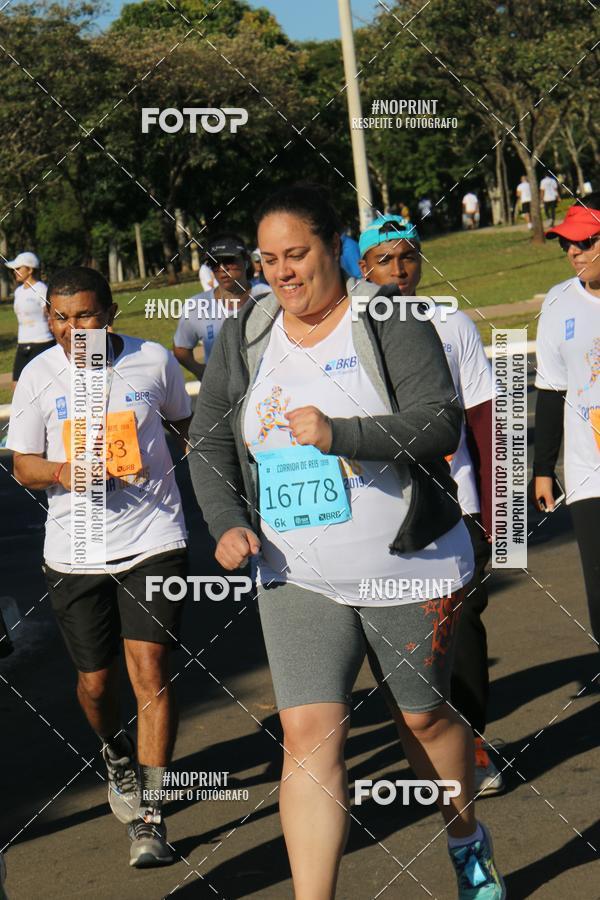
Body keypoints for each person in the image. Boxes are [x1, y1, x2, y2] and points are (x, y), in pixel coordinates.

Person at [188, 183, 505, 900]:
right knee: (306, 739)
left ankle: (466, 840)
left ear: (336, 247)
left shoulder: (386, 314)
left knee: (421, 717)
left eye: (296, 254)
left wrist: (343, 435)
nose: (281, 272)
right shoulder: (249, 332)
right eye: (268, 259)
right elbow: (208, 439)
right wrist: (228, 520)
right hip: (294, 570)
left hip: (407, 562)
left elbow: (438, 422)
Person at [6, 266, 191, 868]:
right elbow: (23, 465)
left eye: (84, 315)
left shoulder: (153, 361)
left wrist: (153, 466)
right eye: (60, 317)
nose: (70, 329)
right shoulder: (38, 375)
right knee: (96, 684)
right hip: (74, 549)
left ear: (110, 314)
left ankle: (152, 816)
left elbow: (182, 428)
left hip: (154, 538)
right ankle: (115, 756)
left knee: (151, 669)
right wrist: (63, 472)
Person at [358, 214, 503, 797]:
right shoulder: (349, 326)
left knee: (462, 626)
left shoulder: (451, 322)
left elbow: (487, 421)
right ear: (363, 268)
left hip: (454, 504)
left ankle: (469, 741)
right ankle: (424, 736)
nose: (398, 271)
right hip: (380, 511)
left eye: (408, 257)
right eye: (384, 260)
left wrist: (499, 513)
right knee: (398, 635)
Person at [534, 194, 600, 650]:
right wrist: (543, 468)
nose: (574, 252)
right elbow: (551, 389)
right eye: (567, 245)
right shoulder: (558, 302)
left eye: (584, 242)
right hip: (587, 471)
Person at [173, 233, 268, 382]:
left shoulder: (268, 295)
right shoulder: (197, 306)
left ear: (245, 261)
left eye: (229, 261)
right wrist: (202, 372)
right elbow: (180, 349)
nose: (222, 269)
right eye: (215, 263)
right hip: (223, 398)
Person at [6, 251, 55, 388]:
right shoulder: (18, 291)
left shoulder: (41, 289)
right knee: (17, 384)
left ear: (30, 270)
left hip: (42, 342)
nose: (15, 271)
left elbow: (50, 315)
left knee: (41, 384)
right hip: (23, 343)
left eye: (19, 268)